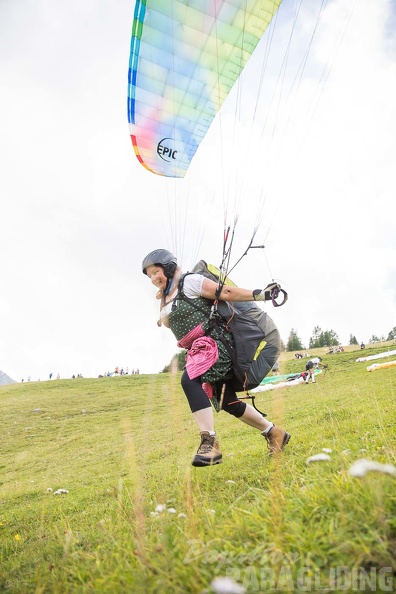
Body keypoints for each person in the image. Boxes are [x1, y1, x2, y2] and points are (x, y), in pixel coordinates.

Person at [142, 248, 291, 467]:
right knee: (227, 401)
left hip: (217, 345)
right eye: (149, 275)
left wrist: (260, 294)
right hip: (198, 351)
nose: (154, 278)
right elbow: (173, 321)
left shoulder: (190, 282)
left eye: (156, 271)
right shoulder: (165, 298)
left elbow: (226, 293)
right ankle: (275, 433)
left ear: (169, 267)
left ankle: (209, 443)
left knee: (189, 378)